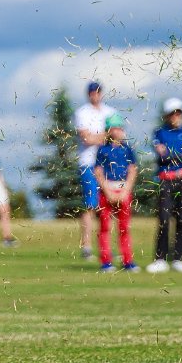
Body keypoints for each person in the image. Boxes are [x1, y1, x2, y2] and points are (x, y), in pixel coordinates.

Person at [149, 98, 182, 274]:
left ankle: (179, 259)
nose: (176, 116)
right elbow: (162, 157)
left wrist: (172, 155)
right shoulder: (159, 133)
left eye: (178, 113)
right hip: (166, 179)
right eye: (173, 113)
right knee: (164, 218)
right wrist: (179, 157)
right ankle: (160, 258)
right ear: (167, 115)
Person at [93, 115, 138, 273]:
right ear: (109, 130)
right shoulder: (103, 149)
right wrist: (107, 191)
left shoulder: (127, 149)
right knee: (105, 227)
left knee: (124, 227)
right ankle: (106, 262)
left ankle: (128, 261)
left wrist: (126, 191)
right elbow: (98, 171)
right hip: (108, 190)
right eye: (116, 128)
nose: (120, 131)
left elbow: (132, 170)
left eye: (120, 127)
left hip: (123, 191)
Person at [73, 81, 111, 261]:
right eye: (92, 92)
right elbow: (86, 138)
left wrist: (99, 137)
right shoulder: (82, 113)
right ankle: (87, 246)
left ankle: (108, 247)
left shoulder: (110, 112)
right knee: (90, 205)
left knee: (110, 205)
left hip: (107, 164)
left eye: (97, 92)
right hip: (88, 163)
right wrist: (105, 137)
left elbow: (118, 136)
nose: (95, 95)